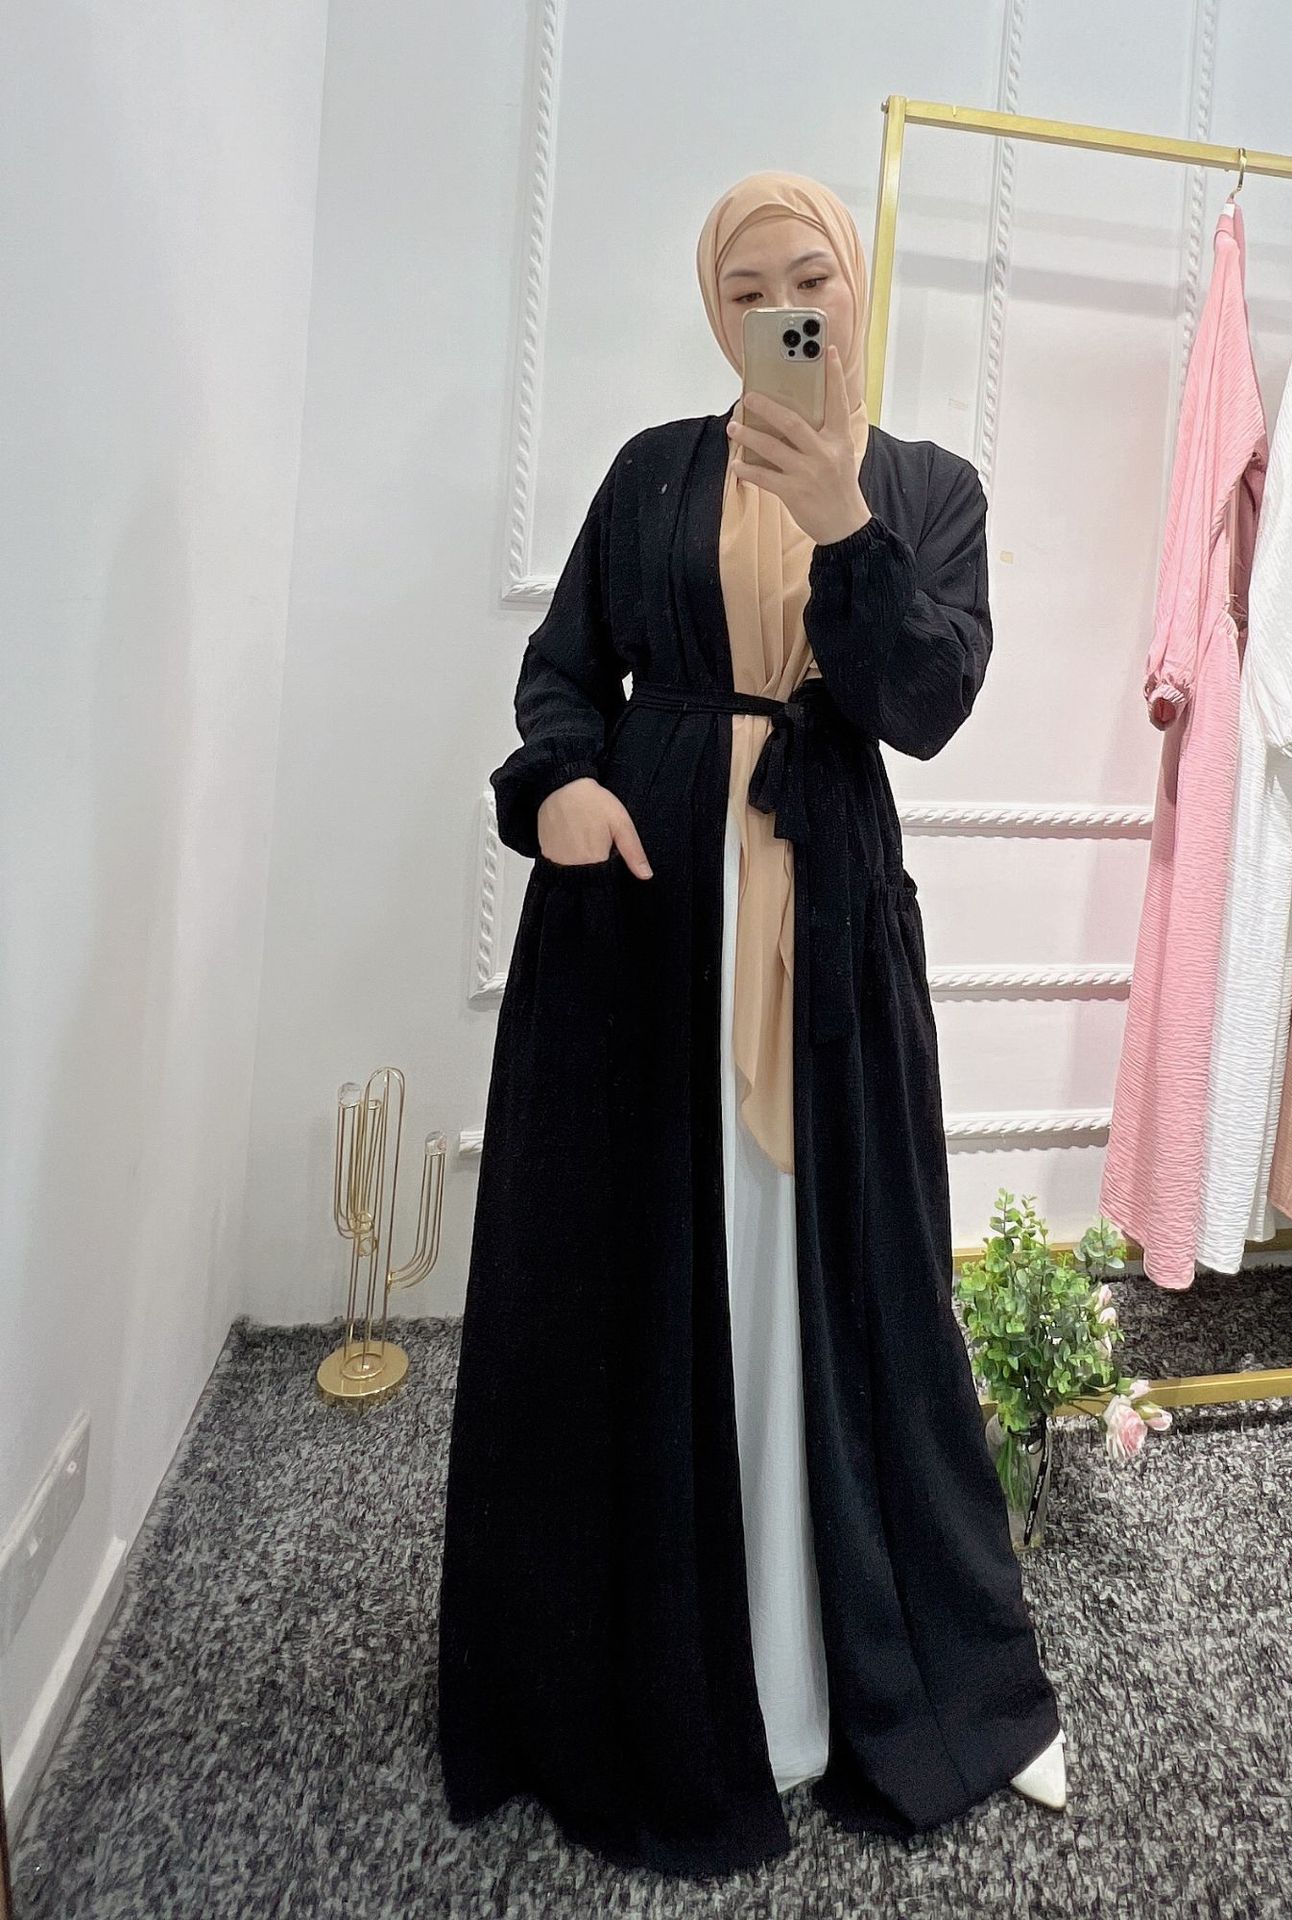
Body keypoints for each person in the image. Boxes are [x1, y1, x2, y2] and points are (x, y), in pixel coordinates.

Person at [435, 169, 1066, 1878]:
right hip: (637, 922)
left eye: (812, 278)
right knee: (648, 1264)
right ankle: (658, 1675)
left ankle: (846, 1676)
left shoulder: (927, 490)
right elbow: (565, 669)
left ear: (854, 286)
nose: (787, 308)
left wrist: (846, 524)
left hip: (826, 916)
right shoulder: (651, 469)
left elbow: (925, 701)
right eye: (748, 289)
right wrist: (559, 789)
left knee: (828, 1267)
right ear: (715, 314)